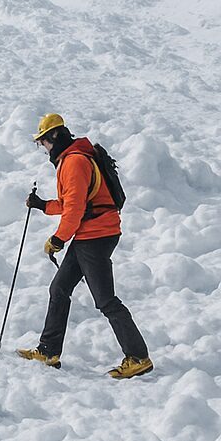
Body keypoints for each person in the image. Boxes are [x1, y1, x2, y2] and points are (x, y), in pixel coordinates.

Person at [17, 114, 153, 379]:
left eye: (42, 142)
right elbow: (72, 203)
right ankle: (48, 350)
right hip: (88, 234)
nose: (42, 148)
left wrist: (58, 239)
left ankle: (138, 357)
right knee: (59, 288)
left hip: (97, 235)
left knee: (105, 300)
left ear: (54, 137)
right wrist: (43, 205)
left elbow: (76, 209)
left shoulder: (75, 162)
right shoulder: (74, 158)